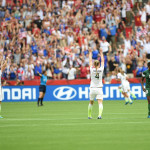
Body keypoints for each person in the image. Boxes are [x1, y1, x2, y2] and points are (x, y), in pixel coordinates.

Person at [88, 48, 104, 119]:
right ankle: (99, 115)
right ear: (99, 64)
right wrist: (101, 53)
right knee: (100, 102)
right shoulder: (101, 69)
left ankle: (89, 115)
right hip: (99, 88)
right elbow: (103, 60)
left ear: (94, 64)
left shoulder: (92, 69)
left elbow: (90, 60)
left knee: (91, 102)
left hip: (92, 88)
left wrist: (90, 52)